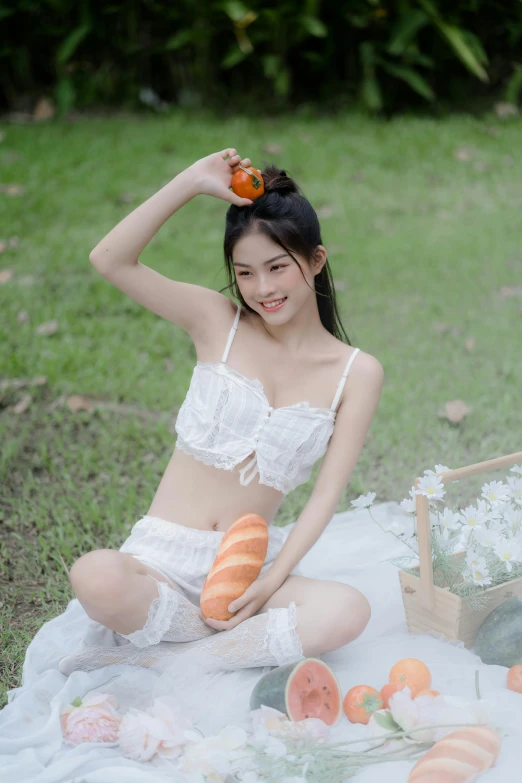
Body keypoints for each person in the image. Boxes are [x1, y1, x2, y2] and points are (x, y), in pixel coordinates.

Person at [58, 147, 385, 677]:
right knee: (95, 575)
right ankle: (199, 647)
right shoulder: (218, 322)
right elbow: (109, 259)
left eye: (278, 267)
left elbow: (327, 493)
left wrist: (273, 580)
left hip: (246, 569)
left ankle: (177, 661)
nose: (263, 289)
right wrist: (190, 182)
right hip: (160, 561)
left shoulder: (357, 372)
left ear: (315, 261)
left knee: (348, 610)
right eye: (246, 272)